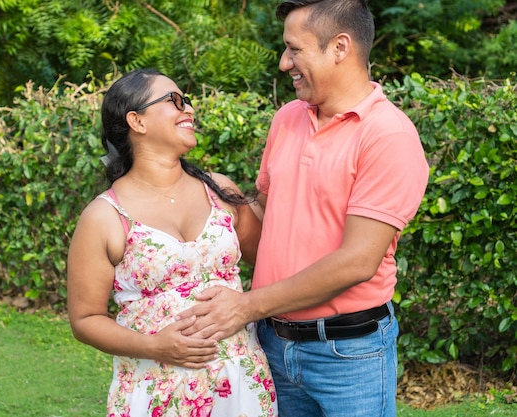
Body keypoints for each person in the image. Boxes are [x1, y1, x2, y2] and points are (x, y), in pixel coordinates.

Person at [177, 1, 430, 416]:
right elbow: (268, 226)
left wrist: (245, 307)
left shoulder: (388, 135)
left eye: (294, 50)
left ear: (340, 47)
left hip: (348, 354)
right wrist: (227, 205)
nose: (283, 63)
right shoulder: (288, 118)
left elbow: (357, 262)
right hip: (273, 343)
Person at [66, 68, 277, 417]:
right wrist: (155, 346)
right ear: (137, 121)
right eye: (174, 101)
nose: (189, 109)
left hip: (243, 384)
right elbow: (85, 319)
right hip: (155, 392)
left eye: (188, 101)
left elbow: (271, 260)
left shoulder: (220, 192)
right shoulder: (104, 216)